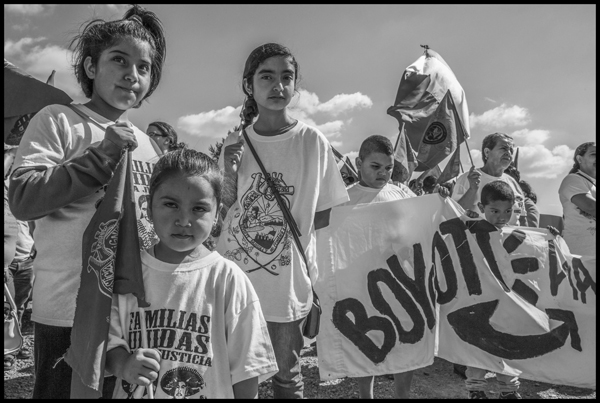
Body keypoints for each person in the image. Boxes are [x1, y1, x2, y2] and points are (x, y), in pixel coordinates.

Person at [7, 5, 166, 398]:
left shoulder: (149, 146)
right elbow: (24, 198)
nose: (133, 74)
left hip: (133, 314)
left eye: (144, 67)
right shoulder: (58, 120)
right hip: (67, 311)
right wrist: (101, 157)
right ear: (91, 68)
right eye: (119, 60)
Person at [216, 43, 349, 399]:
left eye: (286, 77)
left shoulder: (313, 142)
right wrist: (227, 174)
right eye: (267, 76)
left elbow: (324, 212)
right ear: (249, 85)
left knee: (286, 377)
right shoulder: (234, 144)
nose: (277, 86)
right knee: (233, 375)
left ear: (295, 85)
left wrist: (290, 245)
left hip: (286, 285)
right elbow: (223, 211)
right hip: (235, 282)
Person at [105, 148, 278, 398]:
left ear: (217, 214)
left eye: (199, 209)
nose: (184, 220)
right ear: (148, 206)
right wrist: (123, 364)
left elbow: (247, 367)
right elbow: (106, 342)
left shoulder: (228, 278)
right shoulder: (127, 273)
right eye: (170, 204)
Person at [336, 135, 416, 399]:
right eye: (375, 166)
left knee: (405, 339)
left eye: (389, 168)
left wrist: (440, 198)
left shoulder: (403, 193)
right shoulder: (343, 199)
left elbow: (423, 223)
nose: (383, 173)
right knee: (365, 338)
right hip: (360, 281)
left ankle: (402, 395)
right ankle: (364, 395)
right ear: (359, 163)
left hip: (400, 279)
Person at [463, 180, 522, 399]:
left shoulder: (514, 235)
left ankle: (509, 389)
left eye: (507, 211)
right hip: (477, 301)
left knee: (506, 345)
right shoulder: (471, 229)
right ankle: (476, 389)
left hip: (506, 302)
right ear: (481, 209)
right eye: (495, 211)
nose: (502, 217)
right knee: (478, 347)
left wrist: (549, 236)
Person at [4, 143, 35, 369]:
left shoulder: (22, 192)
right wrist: (14, 149)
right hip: (8, 262)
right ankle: (7, 351)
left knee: (21, 305)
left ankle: (17, 343)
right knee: (7, 306)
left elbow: (32, 220)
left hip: (27, 259)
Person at [452, 133, 524, 226]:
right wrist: (472, 189)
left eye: (511, 150)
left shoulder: (513, 183)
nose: (508, 153)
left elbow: (521, 220)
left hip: (509, 239)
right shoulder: (468, 179)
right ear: (487, 152)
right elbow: (454, 214)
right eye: (503, 148)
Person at [558, 142, 596, 256]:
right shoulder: (573, 179)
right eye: (594, 154)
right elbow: (591, 207)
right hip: (581, 254)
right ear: (579, 159)